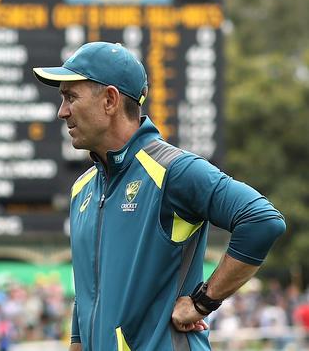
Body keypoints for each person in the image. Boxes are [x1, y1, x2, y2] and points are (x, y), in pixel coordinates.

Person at [33, 42, 285, 350]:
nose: (62, 112)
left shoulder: (171, 170)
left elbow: (261, 220)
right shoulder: (81, 189)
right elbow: (86, 298)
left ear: (110, 100)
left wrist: (203, 301)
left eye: (71, 97)